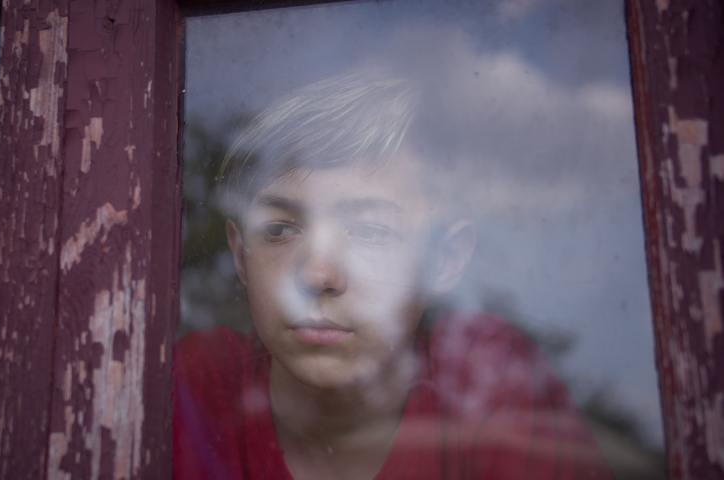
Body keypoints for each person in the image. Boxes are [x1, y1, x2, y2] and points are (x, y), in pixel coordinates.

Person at [172, 69, 615, 480]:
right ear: (240, 253)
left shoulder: (482, 375)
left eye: (369, 231)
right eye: (281, 230)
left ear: (445, 259)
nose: (318, 274)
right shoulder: (200, 385)